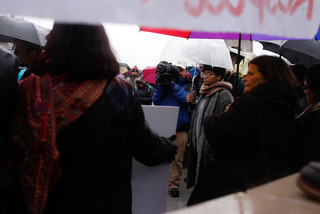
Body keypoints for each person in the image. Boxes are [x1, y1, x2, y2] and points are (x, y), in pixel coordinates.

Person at [0, 23, 177, 214]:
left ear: (54, 42)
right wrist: (169, 147)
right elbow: (146, 149)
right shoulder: (119, 90)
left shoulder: (29, 91)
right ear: (101, 44)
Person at [187, 55, 298, 206]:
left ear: (267, 77)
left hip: (234, 184)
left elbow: (217, 131)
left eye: (251, 74)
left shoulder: (252, 103)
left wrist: (222, 116)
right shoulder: (286, 106)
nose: (245, 78)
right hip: (264, 185)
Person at [186, 65, 233, 189]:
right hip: (198, 144)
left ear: (218, 77)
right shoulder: (204, 92)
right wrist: (192, 104)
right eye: (204, 73)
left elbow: (225, 124)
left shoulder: (224, 95)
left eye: (208, 74)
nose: (205, 77)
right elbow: (198, 115)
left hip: (210, 148)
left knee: (207, 185)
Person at [152, 61, 192, 198]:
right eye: (178, 69)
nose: (179, 72)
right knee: (161, 155)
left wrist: (173, 85)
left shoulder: (188, 84)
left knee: (177, 158)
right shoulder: (163, 84)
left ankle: (174, 185)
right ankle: (159, 184)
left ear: (185, 71)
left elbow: (185, 99)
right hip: (164, 123)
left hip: (180, 127)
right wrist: (161, 86)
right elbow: (156, 101)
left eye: (181, 69)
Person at [292, 64, 320, 172]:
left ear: (316, 88)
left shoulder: (317, 114)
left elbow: (309, 152)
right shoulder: (313, 108)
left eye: (306, 87)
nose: (304, 91)